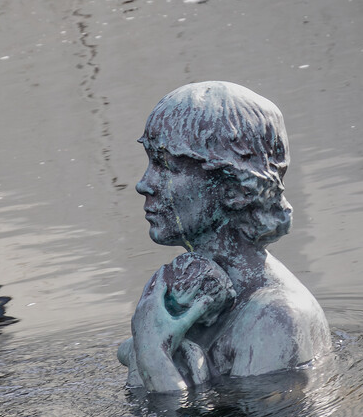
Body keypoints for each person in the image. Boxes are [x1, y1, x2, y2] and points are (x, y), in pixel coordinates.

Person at [118, 81, 330, 393]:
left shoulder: (274, 320)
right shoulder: (185, 290)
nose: (144, 184)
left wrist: (153, 360)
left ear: (234, 188)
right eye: (150, 162)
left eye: (167, 166)